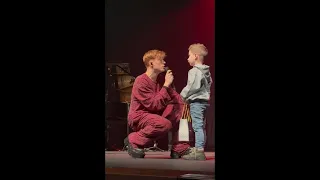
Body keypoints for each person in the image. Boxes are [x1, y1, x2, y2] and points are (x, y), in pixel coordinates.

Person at [125, 49, 192, 158]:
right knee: (164, 124)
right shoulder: (141, 81)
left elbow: (177, 98)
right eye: (161, 60)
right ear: (151, 63)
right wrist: (166, 84)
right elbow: (153, 105)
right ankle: (134, 139)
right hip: (139, 116)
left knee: (183, 109)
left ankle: (180, 147)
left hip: (156, 115)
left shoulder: (161, 80)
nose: (164, 62)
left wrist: (186, 106)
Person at [180, 43, 213, 160]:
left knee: (197, 126)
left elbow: (191, 87)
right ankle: (199, 148)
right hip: (204, 102)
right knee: (201, 126)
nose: (187, 58)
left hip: (197, 103)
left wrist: (182, 96)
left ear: (195, 56)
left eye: (189, 55)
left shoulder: (194, 71)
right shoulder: (206, 71)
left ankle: (199, 150)